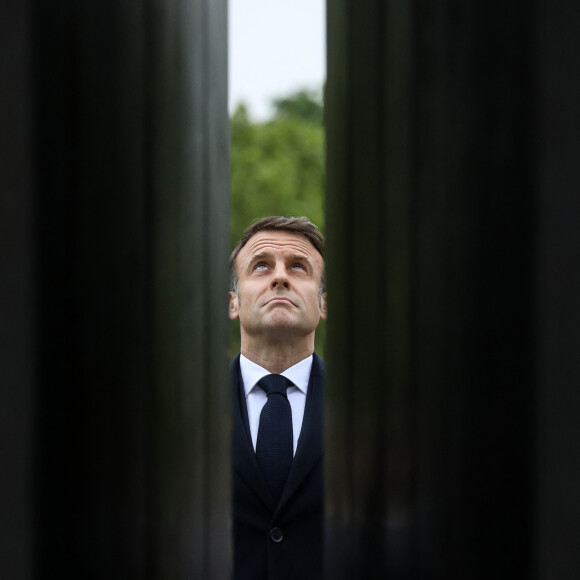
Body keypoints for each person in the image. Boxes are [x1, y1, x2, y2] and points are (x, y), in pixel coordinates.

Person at [229, 216, 327, 580]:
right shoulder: (183, 416)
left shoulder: (371, 414)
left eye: (299, 267)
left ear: (323, 305)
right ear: (234, 303)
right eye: (261, 266)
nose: (280, 277)